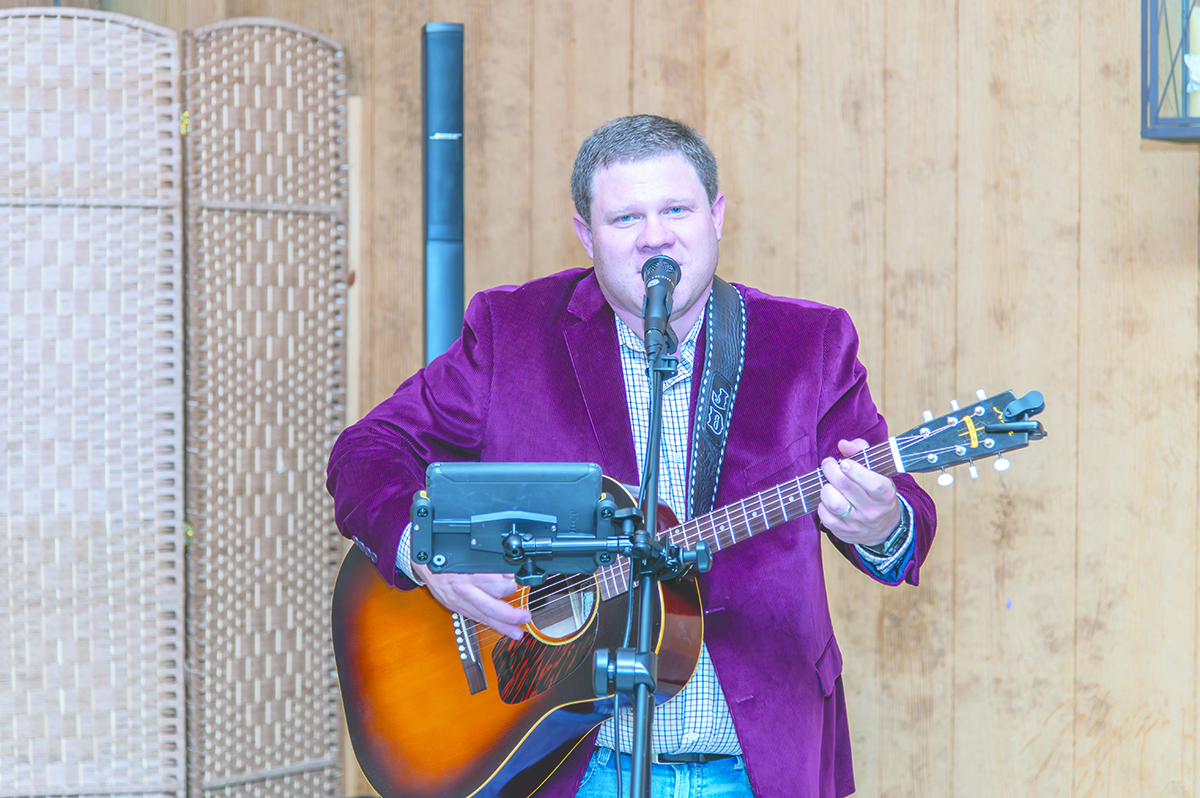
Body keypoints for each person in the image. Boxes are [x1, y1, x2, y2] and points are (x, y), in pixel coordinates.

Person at [327, 114, 936, 798]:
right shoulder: (511, 333)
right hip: (566, 764)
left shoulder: (808, 344)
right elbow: (366, 451)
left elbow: (905, 518)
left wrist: (881, 523)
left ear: (717, 215)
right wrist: (429, 553)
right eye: (625, 218)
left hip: (757, 762)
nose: (655, 237)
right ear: (586, 234)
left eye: (676, 209)